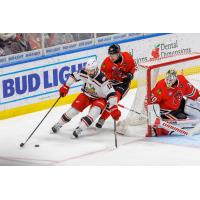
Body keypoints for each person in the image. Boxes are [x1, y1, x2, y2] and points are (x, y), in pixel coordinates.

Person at [51, 58, 121, 138]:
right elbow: (73, 76)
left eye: (91, 70)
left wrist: (114, 108)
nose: (89, 72)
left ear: (96, 69)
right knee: (73, 111)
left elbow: (112, 94)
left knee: (94, 112)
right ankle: (59, 124)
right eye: (88, 70)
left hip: (100, 99)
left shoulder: (102, 79)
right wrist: (66, 86)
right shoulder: (84, 72)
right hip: (86, 95)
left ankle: (80, 129)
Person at [95, 44, 136, 128]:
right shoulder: (106, 62)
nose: (111, 57)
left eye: (113, 55)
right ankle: (91, 116)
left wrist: (130, 74)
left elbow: (133, 66)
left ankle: (102, 119)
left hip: (123, 84)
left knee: (114, 99)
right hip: (111, 83)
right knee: (101, 100)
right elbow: (102, 75)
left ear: (118, 53)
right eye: (110, 55)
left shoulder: (127, 57)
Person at [148, 69, 200, 136]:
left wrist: (198, 97)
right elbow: (150, 102)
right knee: (182, 118)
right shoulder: (160, 86)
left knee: (191, 103)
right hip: (167, 111)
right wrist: (155, 116)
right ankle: (158, 129)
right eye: (167, 79)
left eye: (170, 80)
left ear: (175, 79)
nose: (168, 82)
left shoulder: (182, 80)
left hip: (178, 103)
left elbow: (193, 92)